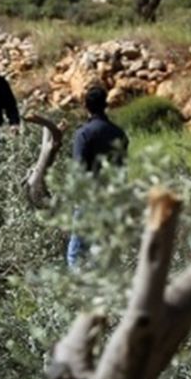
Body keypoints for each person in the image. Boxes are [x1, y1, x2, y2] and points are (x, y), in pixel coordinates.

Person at [67, 86, 129, 268]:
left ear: (86, 106)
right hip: (113, 195)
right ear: (105, 105)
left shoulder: (83, 134)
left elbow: (79, 169)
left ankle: (77, 284)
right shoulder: (119, 133)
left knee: (76, 252)